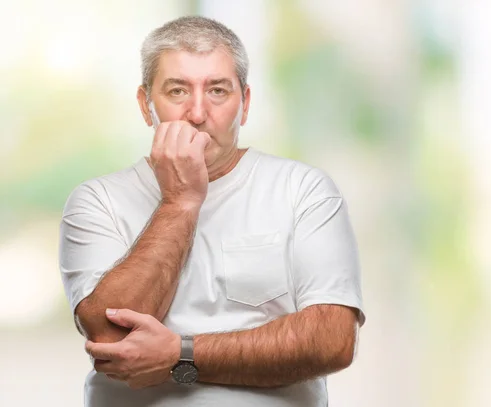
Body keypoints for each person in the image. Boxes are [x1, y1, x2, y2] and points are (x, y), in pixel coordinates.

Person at [59, 15, 365, 407]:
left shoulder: (303, 190)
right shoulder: (96, 200)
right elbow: (109, 338)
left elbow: (332, 341)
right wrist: (180, 201)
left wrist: (181, 355)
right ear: (145, 104)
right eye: (177, 90)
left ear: (246, 103)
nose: (198, 113)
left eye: (218, 90)